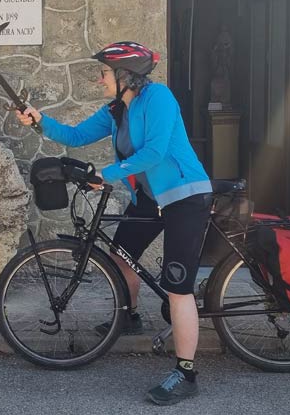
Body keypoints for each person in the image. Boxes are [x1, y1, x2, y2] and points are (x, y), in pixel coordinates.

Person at [15, 41, 212, 405]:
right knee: (121, 254)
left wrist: (105, 175)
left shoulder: (160, 99)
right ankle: (131, 316)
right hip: (150, 200)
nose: (98, 78)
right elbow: (76, 136)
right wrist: (39, 120)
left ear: (126, 76)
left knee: (178, 288)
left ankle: (186, 373)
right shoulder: (116, 110)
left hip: (184, 197)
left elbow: (153, 152)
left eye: (103, 72)